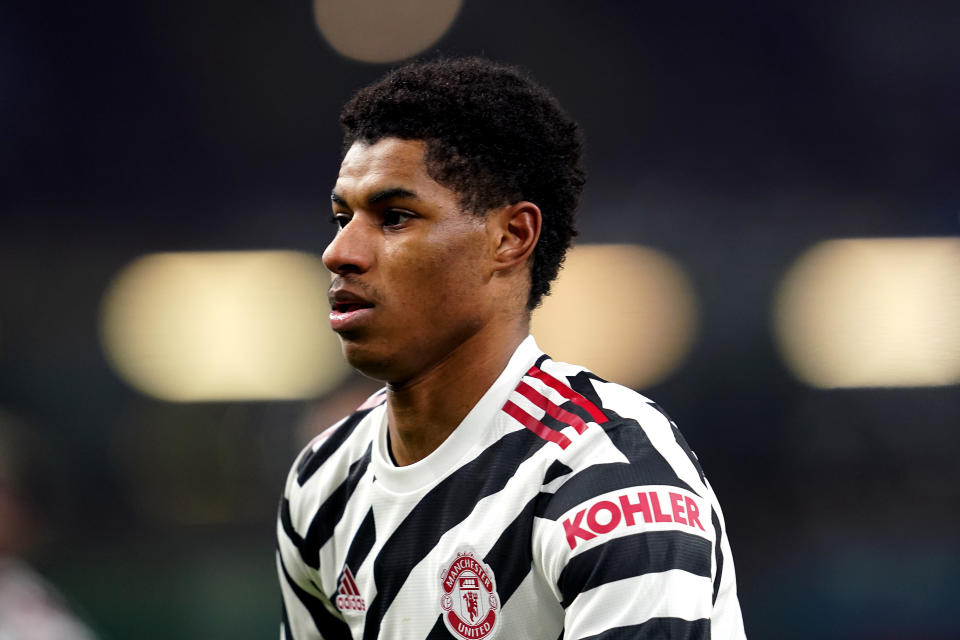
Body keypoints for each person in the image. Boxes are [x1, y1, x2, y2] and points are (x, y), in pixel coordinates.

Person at [276, 57, 746, 640]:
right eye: (341, 217)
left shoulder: (609, 475)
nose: (339, 251)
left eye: (394, 217)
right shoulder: (323, 478)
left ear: (511, 237)